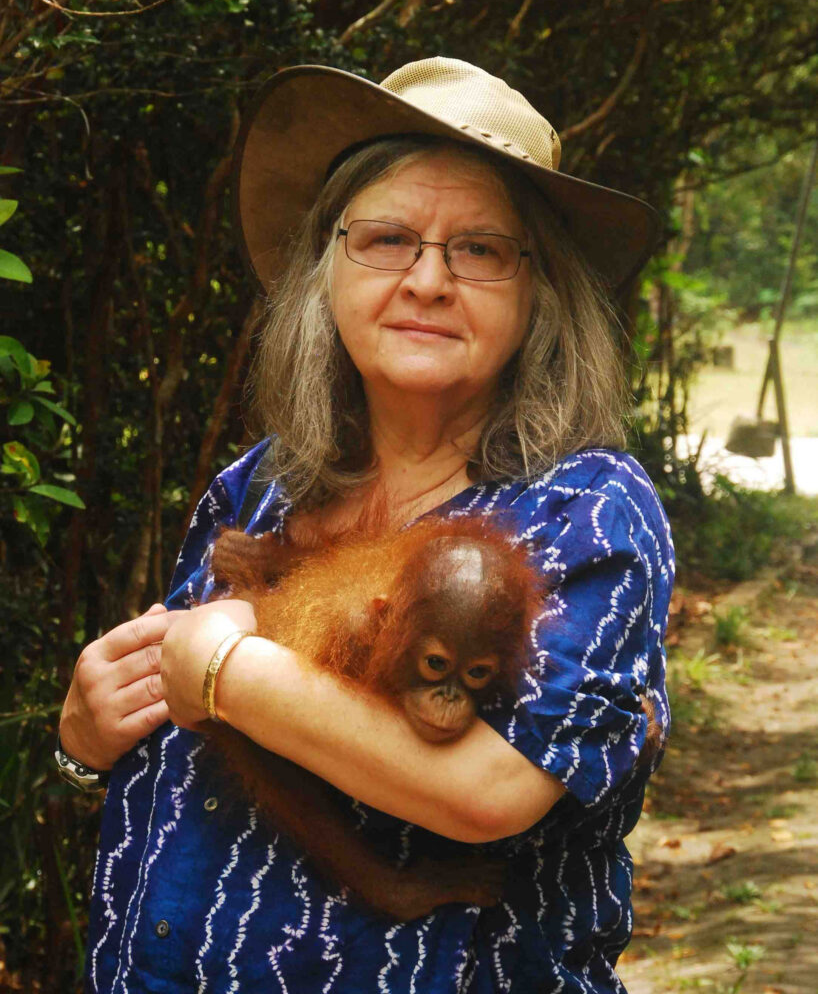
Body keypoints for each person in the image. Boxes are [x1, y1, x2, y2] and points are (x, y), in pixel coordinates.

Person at [58, 57, 674, 992]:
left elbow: (490, 790)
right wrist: (86, 740)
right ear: (327, 272)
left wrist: (224, 667)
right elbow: (184, 744)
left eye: (480, 249)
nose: (428, 280)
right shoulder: (259, 485)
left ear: (540, 293)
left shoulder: (587, 508)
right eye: (387, 239)